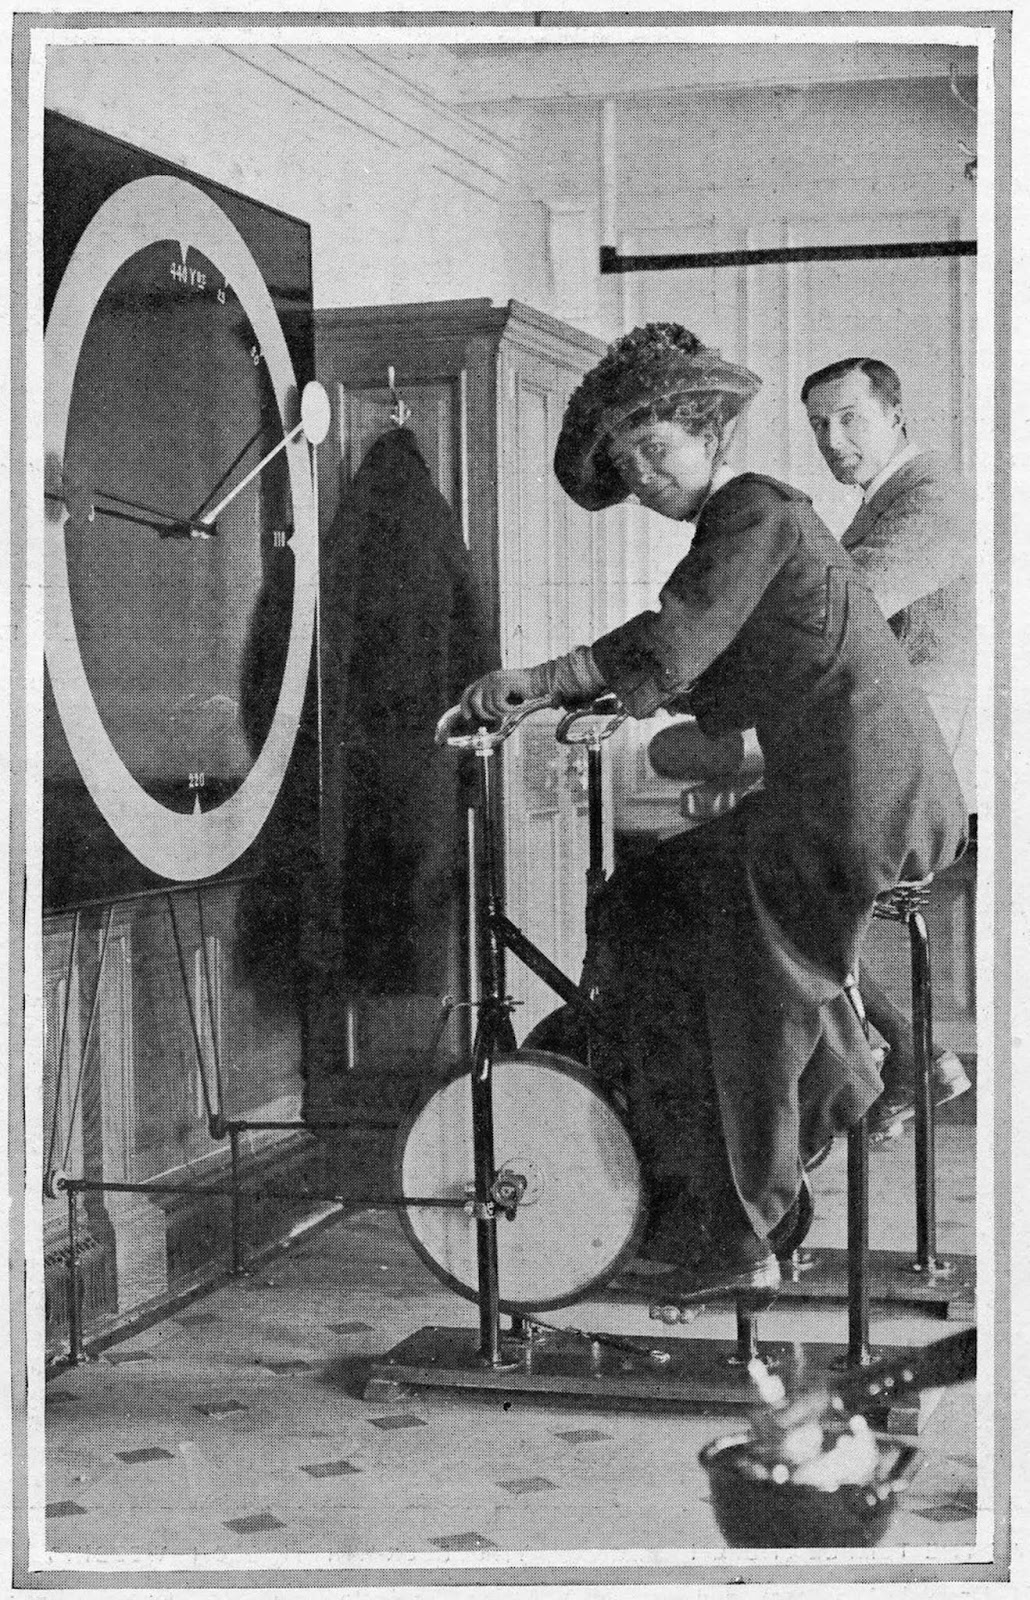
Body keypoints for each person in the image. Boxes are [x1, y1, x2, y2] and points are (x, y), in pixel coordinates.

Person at [454, 324, 967, 1310]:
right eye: (627, 460)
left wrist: (541, 679)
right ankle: (846, 1082)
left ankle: (744, 1225)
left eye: (658, 449)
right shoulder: (747, 528)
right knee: (645, 897)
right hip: (845, 794)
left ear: (709, 437)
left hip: (855, 804)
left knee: (721, 979)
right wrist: (589, 700)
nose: (643, 474)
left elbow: (676, 639)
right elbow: (720, 664)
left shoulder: (755, 508)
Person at [802, 357, 975, 1138]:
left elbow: (844, 611)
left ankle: (892, 1062)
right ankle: (913, 1057)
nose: (834, 441)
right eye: (818, 426)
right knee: (777, 896)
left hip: (916, 775)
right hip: (888, 760)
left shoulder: (930, 497)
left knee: (765, 896)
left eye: (850, 420)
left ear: (896, 416)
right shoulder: (889, 499)